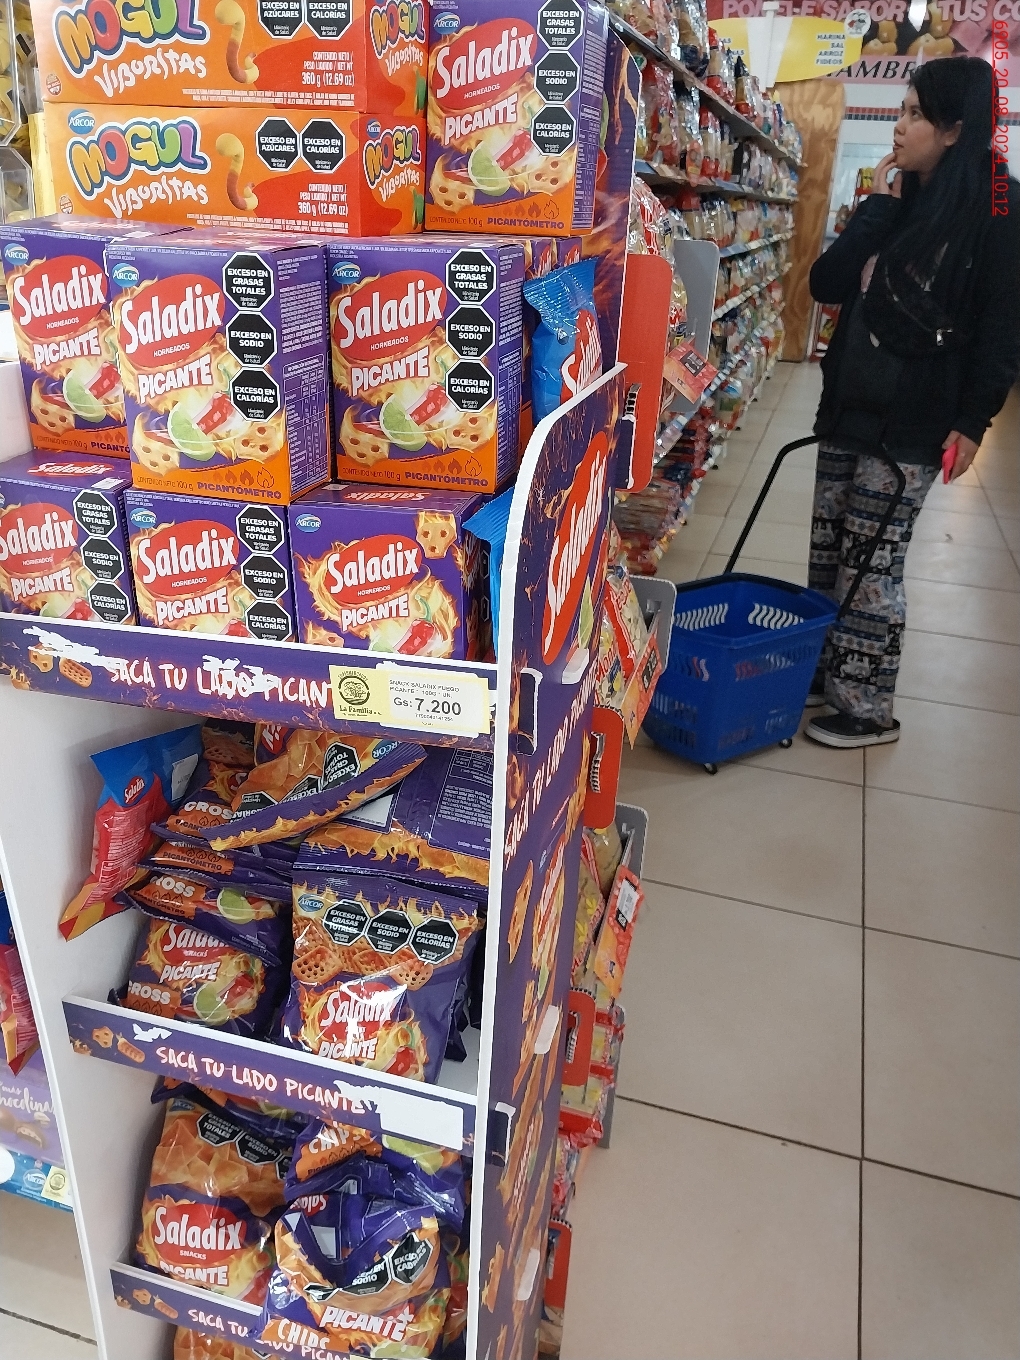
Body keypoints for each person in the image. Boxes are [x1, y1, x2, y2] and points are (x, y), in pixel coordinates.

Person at [803, 56, 1020, 749]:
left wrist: (973, 421)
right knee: (828, 550)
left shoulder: (998, 209)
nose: (899, 126)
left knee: (872, 563)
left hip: (915, 420)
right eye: (901, 111)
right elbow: (827, 284)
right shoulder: (896, 199)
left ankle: (866, 708)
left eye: (915, 114)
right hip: (848, 405)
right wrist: (878, 208)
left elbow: (1002, 326)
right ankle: (822, 672)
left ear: (955, 129)